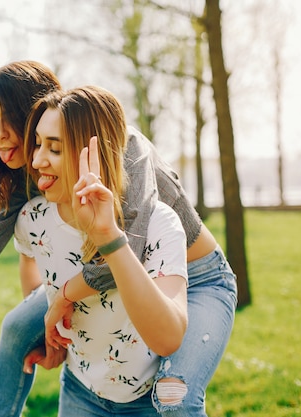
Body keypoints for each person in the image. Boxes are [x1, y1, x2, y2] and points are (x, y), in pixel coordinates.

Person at [0, 60, 238, 416]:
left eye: (8, 119)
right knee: (18, 326)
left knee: (177, 398)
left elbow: (126, 248)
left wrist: (62, 299)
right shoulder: (33, 171)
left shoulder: (122, 148)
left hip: (192, 278)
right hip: (104, 276)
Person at [15, 85, 188, 415]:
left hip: (147, 401)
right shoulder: (32, 219)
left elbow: (167, 338)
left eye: (54, 149)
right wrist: (50, 339)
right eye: (38, 144)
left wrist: (108, 236)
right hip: (79, 391)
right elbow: (29, 261)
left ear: (92, 155)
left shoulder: (159, 225)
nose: (37, 160)